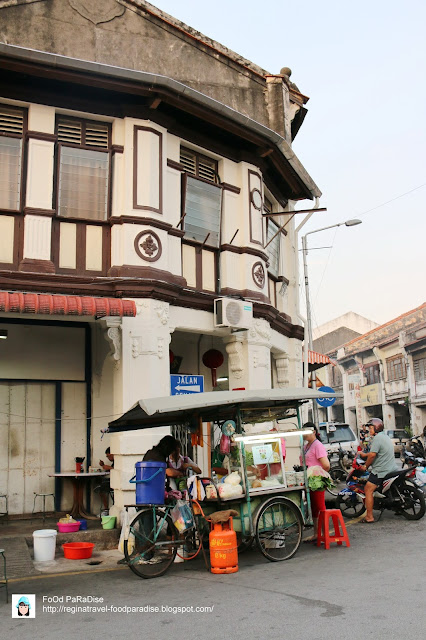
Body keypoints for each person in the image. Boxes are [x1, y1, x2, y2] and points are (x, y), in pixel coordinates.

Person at [359, 418, 398, 523]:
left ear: (376, 427)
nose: (369, 430)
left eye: (371, 427)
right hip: (392, 468)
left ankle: (369, 517)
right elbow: (375, 452)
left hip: (381, 470)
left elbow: (372, 455)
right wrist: (364, 454)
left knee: (368, 489)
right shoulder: (385, 436)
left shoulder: (377, 439)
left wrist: (365, 466)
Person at [302, 421, 330, 542]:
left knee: (320, 506)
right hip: (309, 480)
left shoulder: (317, 445)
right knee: (313, 507)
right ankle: (316, 534)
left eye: (306, 432)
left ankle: (324, 534)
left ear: (314, 432)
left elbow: (326, 465)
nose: (304, 435)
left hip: (317, 481)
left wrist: (316, 474)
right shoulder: (306, 445)